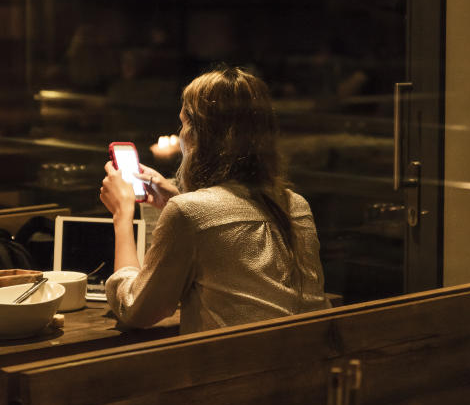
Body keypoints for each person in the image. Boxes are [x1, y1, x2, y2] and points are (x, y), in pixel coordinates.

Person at [99, 66, 327, 333]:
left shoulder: (190, 213)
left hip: (233, 371)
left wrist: (122, 216)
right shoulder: (297, 206)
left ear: (198, 135)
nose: (181, 135)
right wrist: (178, 198)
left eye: (183, 124)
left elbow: (135, 310)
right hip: (304, 365)